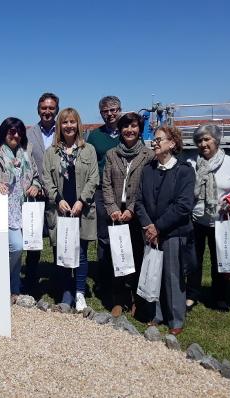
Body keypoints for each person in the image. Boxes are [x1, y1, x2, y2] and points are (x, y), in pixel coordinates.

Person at [135, 125, 196, 335]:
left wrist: (158, 226)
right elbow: (139, 201)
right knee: (154, 274)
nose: (155, 142)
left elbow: (183, 205)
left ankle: (175, 319)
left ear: (172, 143)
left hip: (173, 233)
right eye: (154, 139)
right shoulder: (148, 170)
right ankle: (156, 314)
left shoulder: (184, 171)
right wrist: (148, 225)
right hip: (151, 233)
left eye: (159, 139)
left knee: (172, 276)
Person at [43, 108, 99, 311]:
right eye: (65, 122)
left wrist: (81, 201)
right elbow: (46, 180)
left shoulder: (88, 150)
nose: (69, 126)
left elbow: (94, 177)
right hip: (60, 210)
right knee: (62, 251)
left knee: (81, 253)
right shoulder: (51, 152)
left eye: (72, 122)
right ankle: (66, 292)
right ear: (60, 126)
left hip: (81, 210)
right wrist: (57, 199)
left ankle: (80, 292)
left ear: (78, 125)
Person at [101, 112, 154, 317]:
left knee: (138, 257)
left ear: (139, 129)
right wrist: (113, 208)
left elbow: (146, 187)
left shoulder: (148, 156)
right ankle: (118, 298)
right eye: (125, 127)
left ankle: (136, 299)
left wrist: (131, 209)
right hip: (115, 215)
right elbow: (105, 184)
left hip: (137, 214)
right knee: (118, 257)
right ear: (120, 130)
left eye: (133, 126)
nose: (129, 130)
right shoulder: (112, 154)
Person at [186, 124, 230, 312]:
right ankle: (192, 294)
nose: (203, 144)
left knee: (220, 259)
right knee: (194, 261)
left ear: (216, 140)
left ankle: (219, 297)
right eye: (199, 140)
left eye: (207, 139)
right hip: (197, 220)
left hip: (222, 220)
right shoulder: (192, 164)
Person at [0, 117, 41, 303]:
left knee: (18, 250)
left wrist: (35, 185)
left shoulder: (26, 152)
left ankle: (14, 287)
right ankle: (1, 282)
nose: (15, 135)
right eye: (11, 132)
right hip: (5, 208)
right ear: (4, 132)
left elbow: (35, 176)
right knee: (16, 246)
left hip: (24, 207)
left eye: (19, 132)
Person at [86, 96, 122, 294]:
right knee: (104, 235)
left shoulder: (128, 131)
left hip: (123, 190)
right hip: (101, 191)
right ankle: (104, 276)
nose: (110, 114)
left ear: (120, 110)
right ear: (101, 113)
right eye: (106, 111)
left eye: (114, 109)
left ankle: (125, 275)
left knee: (125, 232)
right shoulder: (95, 136)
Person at [24, 92, 59, 294]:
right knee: (33, 239)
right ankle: (30, 282)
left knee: (57, 238)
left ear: (56, 110)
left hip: (58, 194)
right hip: (36, 194)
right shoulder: (29, 134)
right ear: (38, 110)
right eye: (44, 108)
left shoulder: (63, 131)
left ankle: (59, 281)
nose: (47, 112)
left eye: (51, 108)